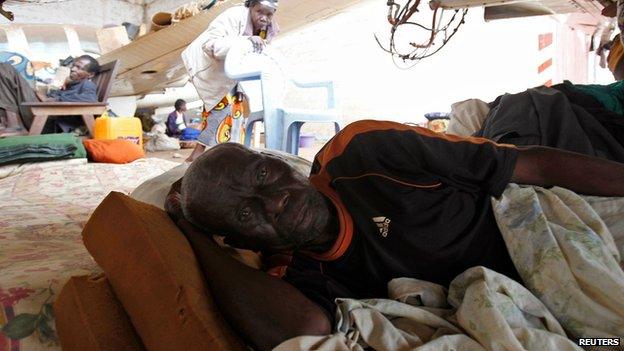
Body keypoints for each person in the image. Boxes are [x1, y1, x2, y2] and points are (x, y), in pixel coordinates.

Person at [166, 119, 624, 350]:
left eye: (265, 174)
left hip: (550, 234)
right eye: (246, 214)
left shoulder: (365, 152)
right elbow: (305, 332)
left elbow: (534, 166)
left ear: (284, 164)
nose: (274, 201)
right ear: (242, 245)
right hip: (531, 310)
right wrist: (193, 234)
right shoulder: (298, 276)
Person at [181, 0, 279, 162]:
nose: (264, 18)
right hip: (211, 67)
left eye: (269, 14)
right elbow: (210, 45)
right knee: (220, 107)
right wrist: (245, 41)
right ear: (250, 7)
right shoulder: (234, 16)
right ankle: (199, 154)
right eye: (259, 12)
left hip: (236, 73)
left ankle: (223, 155)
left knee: (236, 112)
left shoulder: (269, 28)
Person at [0, 55, 100, 134]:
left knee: (5, 68)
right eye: (73, 65)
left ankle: (15, 126)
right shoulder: (74, 85)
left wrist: (53, 100)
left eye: (79, 67)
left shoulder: (87, 84)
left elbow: (91, 100)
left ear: (90, 74)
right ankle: (10, 124)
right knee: (7, 78)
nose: (73, 69)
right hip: (41, 114)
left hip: (45, 120)